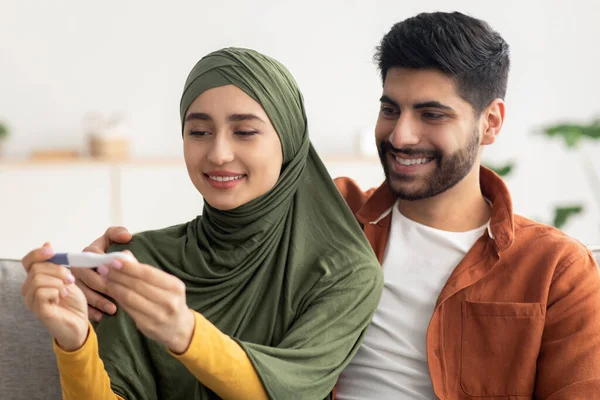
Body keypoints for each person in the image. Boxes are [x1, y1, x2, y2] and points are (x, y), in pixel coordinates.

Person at [79, 11, 600, 399]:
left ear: (491, 122)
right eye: (390, 109)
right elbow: (217, 239)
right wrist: (99, 268)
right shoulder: (326, 217)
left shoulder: (554, 270)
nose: (402, 134)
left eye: (432, 114)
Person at [20, 47, 384, 400]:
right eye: (198, 132)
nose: (218, 154)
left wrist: (185, 333)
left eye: (244, 132)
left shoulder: (344, 272)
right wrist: (74, 342)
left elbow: (292, 392)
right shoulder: (137, 261)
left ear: (289, 141)